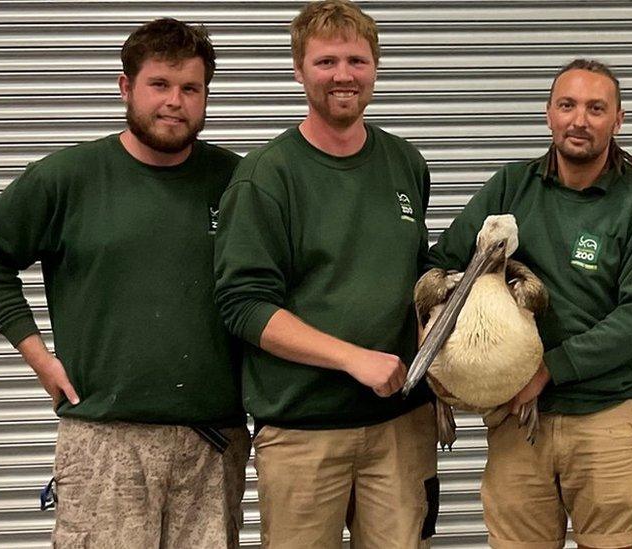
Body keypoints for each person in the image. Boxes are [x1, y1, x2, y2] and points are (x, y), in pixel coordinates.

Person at [0, 18, 250, 548]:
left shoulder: (238, 183)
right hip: (104, 442)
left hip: (213, 442)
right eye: (159, 85)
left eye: (191, 88)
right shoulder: (69, 178)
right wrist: (39, 358)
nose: (175, 102)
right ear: (125, 88)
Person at [426, 58, 632, 549]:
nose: (579, 119)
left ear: (618, 119)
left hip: (606, 421)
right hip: (518, 424)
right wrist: (444, 355)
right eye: (567, 105)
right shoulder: (511, 187)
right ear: (549, 114)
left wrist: (546, 370)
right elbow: (442, 264)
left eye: (595, 108)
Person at [212, 1, 437, 547]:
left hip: (401, 426)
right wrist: (353, 360)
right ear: (298, 70)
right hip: (302, 433)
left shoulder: (405, 163)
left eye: (357, 61)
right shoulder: (267, 177)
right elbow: (244, 306)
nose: (344, 75)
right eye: (326, 62)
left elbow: (413, 269)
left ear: (376, 68)